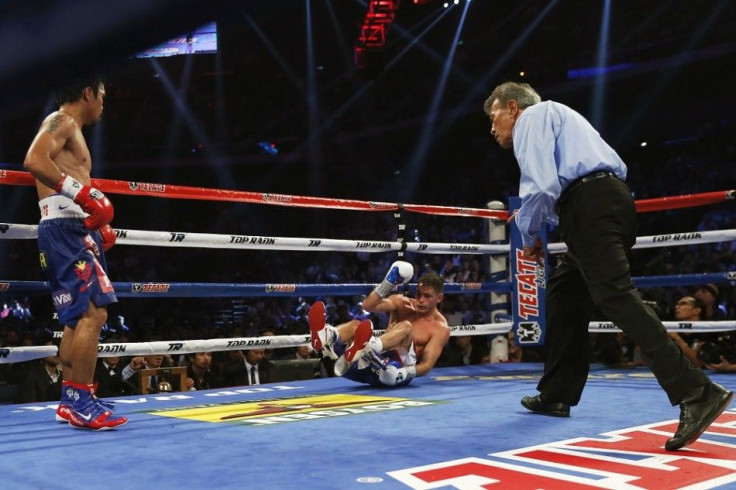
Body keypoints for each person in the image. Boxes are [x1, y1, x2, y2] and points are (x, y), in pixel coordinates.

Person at [483, 81, 732, 451]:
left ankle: (696, 391)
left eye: (494, 116)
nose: (492, 128)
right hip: (604, 203)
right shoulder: (562, 119)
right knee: (566, 294)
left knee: (615, 296)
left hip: (591, 207)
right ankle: (557, 393)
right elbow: (557, 191)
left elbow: (541, 186)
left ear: (513, 108)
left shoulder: (532, 117)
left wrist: (528, 231)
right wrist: (541, 220)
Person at [23, 76, 126, 430]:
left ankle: (74, 398)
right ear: (87, 93)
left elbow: (73, 178)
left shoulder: (72, 129)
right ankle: (81, 401)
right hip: (65, 230)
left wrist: (96, 221)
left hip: (76, 229)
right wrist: (83, 196)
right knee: (92, 316)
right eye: (102, 95)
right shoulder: (62, 120)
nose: (103, 103)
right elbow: (34, 159)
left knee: (76, 318)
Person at [309, 262, 450, 387]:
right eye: (418, 294)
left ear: (439, 298)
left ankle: (369, 347)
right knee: (356, 325)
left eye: (427, 296)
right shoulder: (403, 303)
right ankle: (327, 335)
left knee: (406, 326)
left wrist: (403, 374)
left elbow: (426, 365)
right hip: (371, 365)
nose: (420, 300)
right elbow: (368, 306)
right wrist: (388, 282)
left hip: (396, 371)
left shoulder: (440, 328)